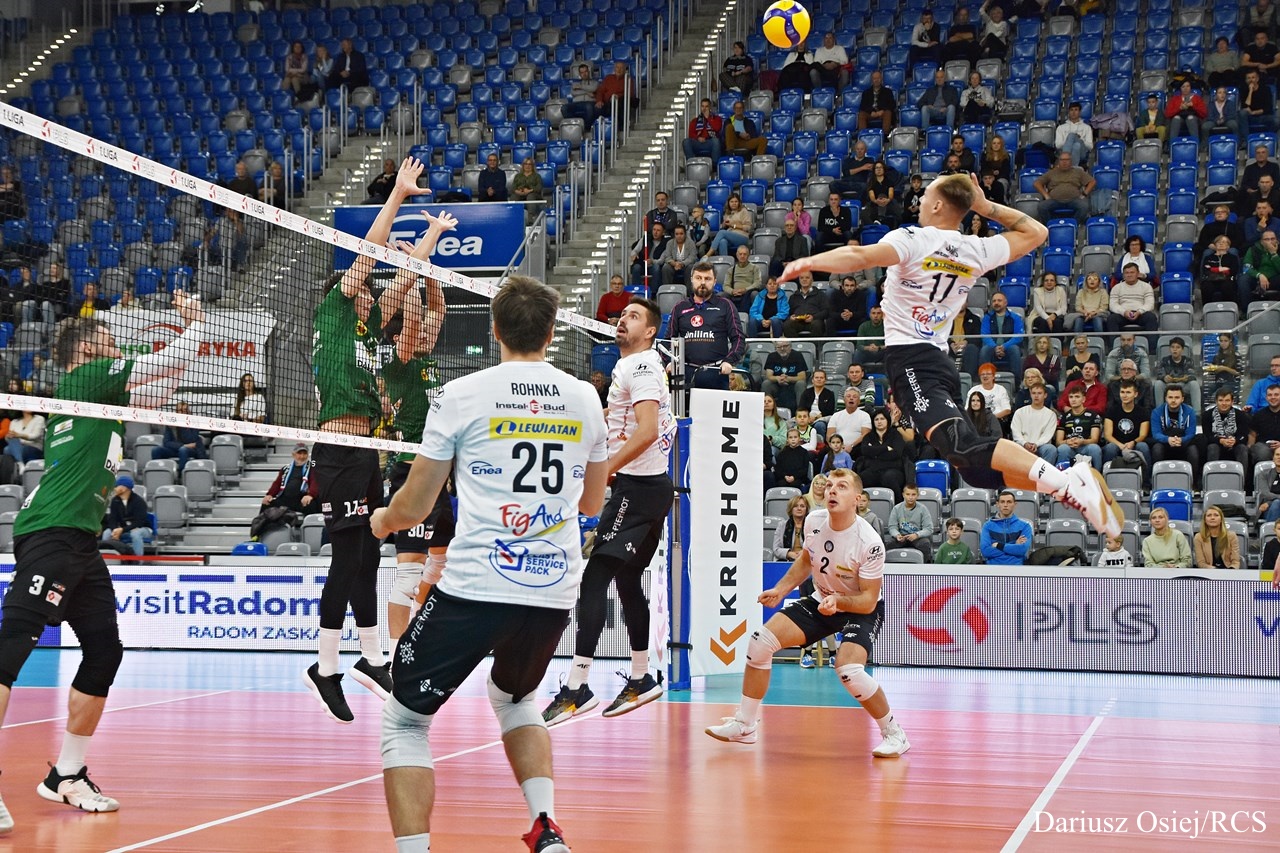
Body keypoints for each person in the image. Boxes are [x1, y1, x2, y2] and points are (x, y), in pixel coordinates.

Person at [369, 276, 608, 853]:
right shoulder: (584, 398)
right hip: (551, 589)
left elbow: (416, 506)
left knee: (405, 720)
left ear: (495, 329)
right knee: (516, 699)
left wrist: (381, 521)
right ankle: (546, 827)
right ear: (550, 332)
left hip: (476, 586)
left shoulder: (462, 394)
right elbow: (592, 504)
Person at [779, 172, 1122, 539]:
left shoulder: (913, 238)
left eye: (926, 196)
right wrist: (985, 207)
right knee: (974, 469)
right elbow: (1036, 233)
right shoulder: (975, 248)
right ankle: (1064, 485)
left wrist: (809, 262)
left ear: (938, 204)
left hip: (911, 360)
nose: (921, 202)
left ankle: (1069, 483)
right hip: (936, 360)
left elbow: (859, 256)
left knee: (963, 447)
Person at [0, 292, 205, 830]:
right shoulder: (87, 378)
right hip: (51, 532)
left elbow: (162, 382)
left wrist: (187, 344)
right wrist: (193, 326)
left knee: (104, 651)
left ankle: (66, 775)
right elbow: (165, 362)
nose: (117, 348)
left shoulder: (96, 397)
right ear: (88, 350)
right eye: (110, 341)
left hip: (80, 541)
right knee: (9, 652)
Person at [305, 158, 431, 724]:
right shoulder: (335, 311)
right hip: (337, 450)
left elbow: (400, 282)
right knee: (345, 560)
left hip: (365, 452)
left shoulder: (362, 327)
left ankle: (373, 658)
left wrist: (427, 243)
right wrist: (397, 196)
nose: (373, 297)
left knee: (365, 556)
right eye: (364, 290)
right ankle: (326, 667)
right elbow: (370, 254)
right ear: (346, 292)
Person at [538, 295, 676, 727]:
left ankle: (577, 687)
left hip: (637, 488)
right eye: (621, 315)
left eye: (633, 317)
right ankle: (641, 677)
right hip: (651, 488)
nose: (622, 320)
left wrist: (605, 469)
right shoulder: (636, 366)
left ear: (650, 331)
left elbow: (647, 430)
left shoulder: (641, 367)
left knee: (595, 578)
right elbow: (620, 417)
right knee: (627, 579)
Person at [705, 469, 909, 756]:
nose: (832, 490)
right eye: (830, 486)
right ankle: (745, 725)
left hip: (860, 607)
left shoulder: (869, 542)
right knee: (760, 642)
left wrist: (839, 601)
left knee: (849, 670)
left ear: (858, 499)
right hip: (822, 600)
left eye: (842, 486)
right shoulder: (814, 521)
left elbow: (868, 601)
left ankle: (894, 733)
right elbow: (805, 560)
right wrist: (781, 590)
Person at [381, 214, 455, 645]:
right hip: (410, 472)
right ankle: (395, 652)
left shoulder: (426, 361)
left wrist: (427, 271)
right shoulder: (400, 364)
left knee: (439, 565)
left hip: (437, 474)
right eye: (418, 329)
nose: (428, 329)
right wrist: (409, 269)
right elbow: (413, 321)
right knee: (408, 573)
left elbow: (437, 309)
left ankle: (418, 634)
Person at [670, 262, 745, 393]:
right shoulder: (680, 307)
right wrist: (668, 362)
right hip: (685, 375)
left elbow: (738, 338)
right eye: (698, 278)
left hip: (716, 374)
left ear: (715, 281)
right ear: (691, 279)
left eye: (707, 278)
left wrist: (729, 361)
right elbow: (667, 339)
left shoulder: (726, 305)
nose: (703, 282)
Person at [251, 443, 317, 541]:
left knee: (312, 504)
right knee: (266, 503)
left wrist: (310, 495)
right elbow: (277, 483)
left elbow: (315, 483)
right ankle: (257, 534)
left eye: (304, 454)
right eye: (299, 453)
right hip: (285, 499)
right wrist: (269, 495)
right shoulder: (285, 469)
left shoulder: (312, 468)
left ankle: (311, 536)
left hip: (300, 500)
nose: (302, 456)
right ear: (293, 454)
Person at [1151, 385, 1201, 482]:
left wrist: (1181, 440)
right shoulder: (1157, 412)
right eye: (1170, 397)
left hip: (1183, 442)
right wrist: (1168, 439)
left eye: (1177, 397)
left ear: (1182, 399)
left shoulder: (1190, 411)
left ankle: (1193, 483)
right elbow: (1156, 433)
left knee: (1193, 450)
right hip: (1165, 443)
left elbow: (1191, 433)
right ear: (1165, 398)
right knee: (1157, 448)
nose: (1173, 400)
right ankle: (1156, 482)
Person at [1103, 378, 1153, 474]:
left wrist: (1133, 443)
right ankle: (1105, 477)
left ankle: (1147, 479)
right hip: (1117, 443)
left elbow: (1143, 435)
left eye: (1128, 392)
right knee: (1110, 448)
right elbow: (1107, 435)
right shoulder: (1112, 410)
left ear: (1135, 394)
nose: (1124, 395)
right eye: (1122, 392)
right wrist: (1120, 445)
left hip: (1135, 443)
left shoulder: (1143, 412)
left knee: (1143, 446)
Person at [1034, 151, 1094, 222]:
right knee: (1041, 207)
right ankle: (1050, 224)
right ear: (1058, 161)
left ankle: (1074, 223)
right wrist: (1046, 195)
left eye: (1067, 160)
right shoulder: (1052, 172)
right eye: (1062, 160)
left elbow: (1092, 182)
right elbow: (1037, 183)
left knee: (1085, 206)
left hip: (1074, 200)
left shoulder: (1078, 172)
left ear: (1071, 161)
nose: (1064, 162)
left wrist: (1084, 194)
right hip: (1054, 200)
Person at [101, 475, 152, 557]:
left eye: (117, 486)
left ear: (124, 488)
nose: (115, 489)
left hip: (142, 528)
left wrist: (122, 530)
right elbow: (112, 518)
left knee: (135, 534)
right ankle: (106, 558)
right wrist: (115, 530)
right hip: (124, 528)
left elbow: (139, 522)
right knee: (107, 533)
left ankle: (138, 560)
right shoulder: (115, 500)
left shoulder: (139, 501)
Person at [979, 292, 1025, 382]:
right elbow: (985, 335)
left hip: (1009, 347)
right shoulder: (987, 317)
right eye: (994, 301)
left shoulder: (1015, 317)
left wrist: (1004, 347)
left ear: (1005, 303)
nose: (996, 303)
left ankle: (1017, 383)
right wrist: (995, 347)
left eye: (999, 300)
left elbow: (1019, 336)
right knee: (984, 350)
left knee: (1014, 349)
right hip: (992, 347)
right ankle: (984, 381)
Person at [1202, 386, 1251, 471]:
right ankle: (1211, 476)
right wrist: (1221, 441)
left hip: (1235, 444)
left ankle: (1242, 478)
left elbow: (1244, 436)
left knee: (1242, 448)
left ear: (1232, 402)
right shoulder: (1207, 415)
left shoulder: (1241, 415)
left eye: (1227, 400)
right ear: (1216, 401)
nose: (1224, 403)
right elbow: (1207, 436)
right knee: (1212, 447)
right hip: (1216, 443)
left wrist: (1235, 441)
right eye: (1221, 400)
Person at [1106, 263, 1159, 340]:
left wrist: (1139, 311)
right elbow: (1113, 305)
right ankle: (1114, 346)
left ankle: (1152, 347)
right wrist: (1124, 312)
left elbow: (1150, 304)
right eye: (1126, 273)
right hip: (1123, 314)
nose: (1129, 275)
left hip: (1140, 313)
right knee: (1112, 319)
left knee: (1151, 317)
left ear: (1138, 274)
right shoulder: (1116, 288)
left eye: (1132, 272)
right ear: (1123, 275)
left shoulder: (1146, 286)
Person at [980, 490, 1033, 566]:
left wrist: (999, 545)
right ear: (997, 504)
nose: (1005, 505)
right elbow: (985, 551)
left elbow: (1021, 550)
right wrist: (1014, 545)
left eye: (1009, 502)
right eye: (1002, 502)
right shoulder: (988, 526)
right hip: (993, 568)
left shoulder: (1025, 526)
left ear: (1015, 504)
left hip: (1017, 568)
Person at [1055, 386, 1103, 469]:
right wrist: (1067, 441)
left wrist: (1082, 441)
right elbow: (1058, 441)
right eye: (1071, 397)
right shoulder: (1064, 417)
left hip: (1086, 446)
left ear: (1083, 399)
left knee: (1095, 448)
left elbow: (1095, 439)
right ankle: (1062, 475)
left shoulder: (1093, 415)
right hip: (1070, 447)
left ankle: (1097, 474)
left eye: (1077, 397)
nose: (1073, 400)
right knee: (1063, 448)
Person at [1012, 382, 1059, 463]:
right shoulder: (1020, 412)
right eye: (1033, 393)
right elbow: (1016, 432)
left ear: (1045, 395)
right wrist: (1024, 443)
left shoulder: (1051, 415)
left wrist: (1036, 444)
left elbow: (1047, 435)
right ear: (1030, 394)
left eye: (1039, 393)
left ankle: (1044, 471)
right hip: (1022, 445)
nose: (1036, 396)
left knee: (1051, 449)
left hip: (1041, 447)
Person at [153, 401, 207, 471]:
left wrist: (183, 426)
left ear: (188, 412)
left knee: (183, 450)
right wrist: (183, 445)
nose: (182, 413)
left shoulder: (194, 423)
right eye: (180, 411)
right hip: (176, 449)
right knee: (156, 450)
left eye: (184, 411)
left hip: (192, 450)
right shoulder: (171, 424)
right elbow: (166, 442)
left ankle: (181, 473)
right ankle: (158, 471)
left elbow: (190, 439)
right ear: (177, 412)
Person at [762, 337, 808, 412]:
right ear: (776, 348)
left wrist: (788, 378)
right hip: (777, 385)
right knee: (766, 383)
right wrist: (777, 378)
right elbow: (769, 375)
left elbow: (802, 377)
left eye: (785, 346)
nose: (782, 349)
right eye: (779, 347)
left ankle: (800, 412)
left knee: (801, 383)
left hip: (793, 385)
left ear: (790, 346)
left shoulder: (797, 355)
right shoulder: (772, 356)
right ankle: (767, 412)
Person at [1153, 337, 1199, 411]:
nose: (1175, 349)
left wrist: (1186, 378)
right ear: (1170, 349)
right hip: (1168, 385)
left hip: (1183, 385)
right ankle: (1160, 411)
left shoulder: (1188, 361)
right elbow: (1159, 374)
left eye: (1178, 347)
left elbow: (1192, 376)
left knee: (1194, 384)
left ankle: (1197, 412)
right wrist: (1164, 378)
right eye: (1172, 347)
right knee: (1158, 384)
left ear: (1182, 349)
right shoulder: (1165, 360)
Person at [888, 484, 933, 559]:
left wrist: (917, 535)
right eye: (908, 494)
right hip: (901, 536)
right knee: (890, 544)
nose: (910, 497)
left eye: (913, 494)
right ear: (903, 495)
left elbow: (929, 529)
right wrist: (897, 535)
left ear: (917, 495)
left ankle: (925, 565)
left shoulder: (923, 509)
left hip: (917, 537)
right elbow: (892, 527)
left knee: (925, 544)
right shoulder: (896, 508)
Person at [782, 271, 828, 337]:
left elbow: (826, 311)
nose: (804, 279)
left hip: (814, 321)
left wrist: (813, 317)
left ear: (812, 280)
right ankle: (795, 344)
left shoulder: (820, 294)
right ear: (799, 280)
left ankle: (815, 344)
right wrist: (790, 317)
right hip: (797, 321)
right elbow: (788, 312)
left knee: (817, 325)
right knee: (787, 325)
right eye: (802, 278)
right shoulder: (794, 296)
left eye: (807, 277)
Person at [708, 192, 754, 257]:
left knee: (722, 232)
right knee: (722, 241)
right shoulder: (727, 213)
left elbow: (748, 227)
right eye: (731, 202)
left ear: (739, 203)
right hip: (730, 235)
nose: (734, 203)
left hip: (742, 236)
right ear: (728, 203)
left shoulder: (743, 211)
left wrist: (734, 225)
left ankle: (709, 254)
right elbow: (723, 227)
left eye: (736, 201)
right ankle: (724, 260)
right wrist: (724, 224)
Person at [683, 98, 723, 164]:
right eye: (702, 106)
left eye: (706, 106)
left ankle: (714, 165)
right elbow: (691, 134)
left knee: (716, 141)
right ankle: (692, 164)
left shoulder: (717, 119)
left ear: (710, 108)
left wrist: (708, 118)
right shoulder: (695, 121)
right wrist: (698, 138)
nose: (704, 109)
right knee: (686, 142)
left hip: (710, 142)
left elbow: (717, 128)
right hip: (698, 143)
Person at [660, 223, 700, 289]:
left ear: (685, 234)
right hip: (674, 265)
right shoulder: (670, 243)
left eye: (681, 234)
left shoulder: (691, 243)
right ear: (674, 235)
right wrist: (674, 263)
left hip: (686, 265)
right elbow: (667, 257)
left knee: (691, 267)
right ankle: (667, 290)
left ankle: (689, 292)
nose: (679, 236)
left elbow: (692, 257)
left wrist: (682, 264)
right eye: (677, 234)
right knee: (665, 267)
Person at [1055, 102, 1094, 167]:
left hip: (1082, 153)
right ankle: (1073, 168)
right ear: (1069, 112)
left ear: (1080, 112)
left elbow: (1090, 146)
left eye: (1076, 110)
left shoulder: (1087, 127)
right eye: (1071, 110)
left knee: (1072, 136)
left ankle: (1065, 159)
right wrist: (1069, 140)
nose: (1073, 112)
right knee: (1076, 145)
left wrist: (1079, 139)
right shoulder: (1061, 127)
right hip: (1066, 150)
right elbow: (1058, 145)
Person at [772, 495, 810, 561]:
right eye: (795, 506)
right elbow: (776, 549)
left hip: (806, 560)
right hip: (786, 561)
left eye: (802, 506)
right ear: (791, 509)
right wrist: (789, 554)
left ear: (806, 509)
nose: (799, 508)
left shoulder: (811, 525)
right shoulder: (782, 525)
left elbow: (816, 547)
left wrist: (805, 552)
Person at [512, 158, 545, 225]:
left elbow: (539, 187)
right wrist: (518, 191)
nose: (527, 166)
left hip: (534, 195)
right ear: (523, 165)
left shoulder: (537, 176)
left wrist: (530, 190)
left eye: (530, 164)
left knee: (530, 196)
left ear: (532, 166)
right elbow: (513, 187)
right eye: (526, 164)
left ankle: (531, 218)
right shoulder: (518, 176)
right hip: (520, 195)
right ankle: (513, 217)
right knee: (514, 196)